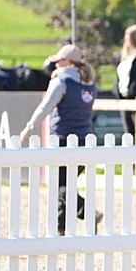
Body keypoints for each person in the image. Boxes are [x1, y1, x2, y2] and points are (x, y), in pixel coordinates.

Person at [17, 45, 98, 235]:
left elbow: (44, 108)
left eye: (58, 61)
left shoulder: (61, 82)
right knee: (67, 182)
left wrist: (29, 128)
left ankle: (86, 212)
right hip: (85, 138)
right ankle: (60, 225)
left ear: (67, 62)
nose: (54, 65)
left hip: (63, 138)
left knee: (59, 184)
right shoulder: (89, 83)